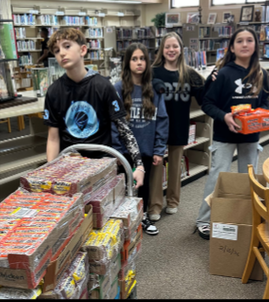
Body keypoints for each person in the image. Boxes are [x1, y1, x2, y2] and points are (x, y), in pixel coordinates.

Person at [43, 26, 144, 191]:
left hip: (101, 164)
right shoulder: (54, 91)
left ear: (83, 49)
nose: (61, 53)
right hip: (70, 165)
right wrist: (51, 173)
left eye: (67, 46)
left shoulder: (103, 86)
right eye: (56, 50)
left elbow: (124, 129)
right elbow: (53, 138)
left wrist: (139, 165)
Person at [194, 27, 269, 240]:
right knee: (218, 176)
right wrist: (225, 116)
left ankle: (245, 217)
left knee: (249, 178)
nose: (245, 44)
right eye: (240, 41)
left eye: (249, 40)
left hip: (250, 136)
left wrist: (260, 117)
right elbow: (207, 104)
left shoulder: (261, 73)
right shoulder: (224, 73)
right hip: (224, 135)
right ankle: (204, 220)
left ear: (256, 45)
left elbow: (264, 102)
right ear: (232, 47)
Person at [111, 43, 169, 235]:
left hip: (146, 148)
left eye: (142, 59)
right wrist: (117, 151)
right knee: (123, 187)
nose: (138, 63)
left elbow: (162, 119)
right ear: (127, 63)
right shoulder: (118, 88)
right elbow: (113, 122)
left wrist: (159, 149)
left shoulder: (154, 89)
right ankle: (125, 222)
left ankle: (142, 217)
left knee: (143, 187)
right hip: (124, 150)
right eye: (134, 59)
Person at [149, 31, 205, 223]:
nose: (171, 50)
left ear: (181, 49)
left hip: (180, 125)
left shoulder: (189, 73)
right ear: (161, 50)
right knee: (156, 169)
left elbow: (204, 96)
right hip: (157, 128)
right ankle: (154, 205)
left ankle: (173, 201)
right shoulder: (153, 72)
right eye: (167, 46)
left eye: (175, 46)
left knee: (175, 166)